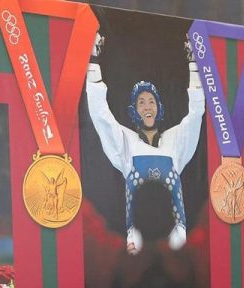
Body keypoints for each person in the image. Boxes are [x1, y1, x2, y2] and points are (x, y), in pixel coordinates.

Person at [85, 33, 205, 254]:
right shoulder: (126, 144)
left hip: (175, 242)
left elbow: (196, 113)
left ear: (158, 107)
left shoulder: (175, 142)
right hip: (138, 243)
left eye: (151, 101)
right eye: (141, 102)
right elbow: (101, 115)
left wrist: (194, 64)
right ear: (134, 111)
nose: (147, 106)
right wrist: (93, 61)